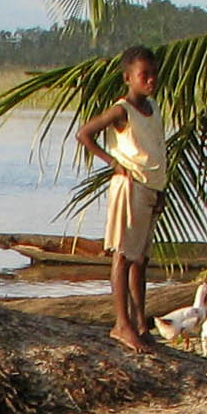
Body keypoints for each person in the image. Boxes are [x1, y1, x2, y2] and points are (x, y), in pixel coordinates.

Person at [76, 45, 168, 351]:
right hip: (130, 187)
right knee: (123, 255)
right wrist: (112, 162)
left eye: (153, 74)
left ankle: (141, 322)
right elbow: (84, 134)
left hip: (150, 187)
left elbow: (156, 150)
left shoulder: (152, 108)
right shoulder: (122, 110)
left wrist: (161, 189)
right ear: (128, 77)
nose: (151, 80)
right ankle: (121, 323)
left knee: (141, 258)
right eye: (144, 75)